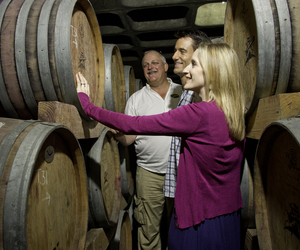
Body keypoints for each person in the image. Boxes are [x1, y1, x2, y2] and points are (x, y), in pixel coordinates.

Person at [76, 42, 245, 249]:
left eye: (193, 64)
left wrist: (87, 105)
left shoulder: (198, 113)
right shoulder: (232, 111)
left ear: (212, 72)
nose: (185, 69)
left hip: (199, 221)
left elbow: (133, 123)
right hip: (228, 217)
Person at [114, 50, 182, 249]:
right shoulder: (136, 99)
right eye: (145, 65)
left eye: (155, 63)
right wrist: (118, 133)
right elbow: (128, 139)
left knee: (180, 225)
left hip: (181, 171)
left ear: (165, 66)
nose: (150, 67)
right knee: (147, 228)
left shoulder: (184, 92)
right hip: (149, 173)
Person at [164, 30, 212, 199]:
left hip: (196, 192)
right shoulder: (187, 91)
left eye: (182, 51)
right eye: (176, 50)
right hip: (183, 188)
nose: (174, 56)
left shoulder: (202, 95)